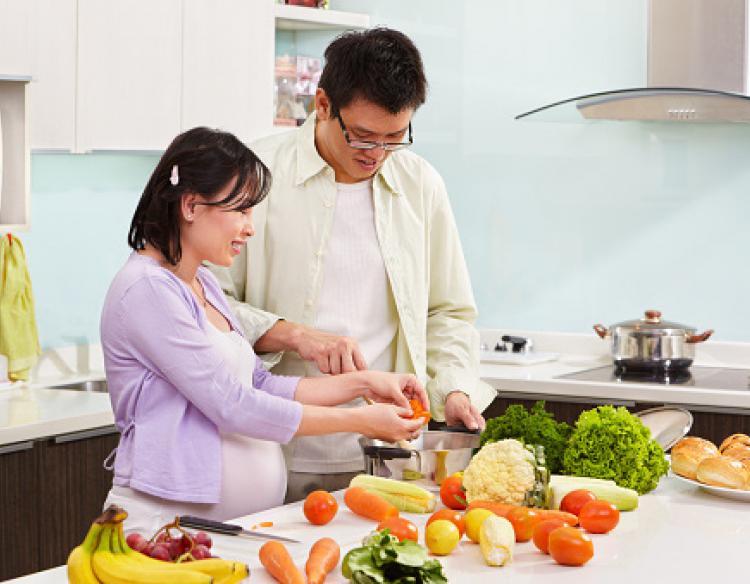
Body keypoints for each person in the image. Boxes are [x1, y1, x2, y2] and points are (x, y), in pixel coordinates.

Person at [211, 28, 497, 502]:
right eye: (363, 136)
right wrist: (293, 332)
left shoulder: (419, 185)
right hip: (272, 450)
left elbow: (447, 313)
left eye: (394, 138)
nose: (376, 155)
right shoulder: (254, 175)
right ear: (322, 104)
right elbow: (206, 307)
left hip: (390, 455)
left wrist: (453, 388)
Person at [99, 127, 428, 535]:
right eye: (240, 210)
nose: (249, 227)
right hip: (162, 528)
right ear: (190, 205)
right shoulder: (147, 289)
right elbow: (232, 405)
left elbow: (259, 384)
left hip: (222, 530)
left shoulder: (203, 284)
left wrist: (362, 383)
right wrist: (361, 422)